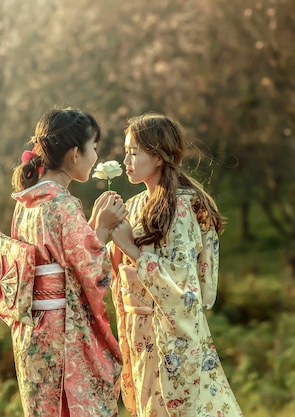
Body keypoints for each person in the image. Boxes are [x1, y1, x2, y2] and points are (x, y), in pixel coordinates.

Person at [109, 113, 244, 417]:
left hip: (169, 331)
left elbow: (181, 284)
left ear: (157, 157)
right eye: (125, 152)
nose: (125, 160)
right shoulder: (132, 205)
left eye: (134, 152)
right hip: (138, 330)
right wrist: (104, 231)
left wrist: (129, 247)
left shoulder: (182, 208)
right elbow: (113, 264)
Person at [8, 108, 125, 417]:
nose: (95, 157)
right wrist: (101, 227)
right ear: (75, 153)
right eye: (94, 148)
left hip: (32, 328)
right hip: (62, 329)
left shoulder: (25, 202)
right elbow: (91, 269)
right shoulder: (63, 204)